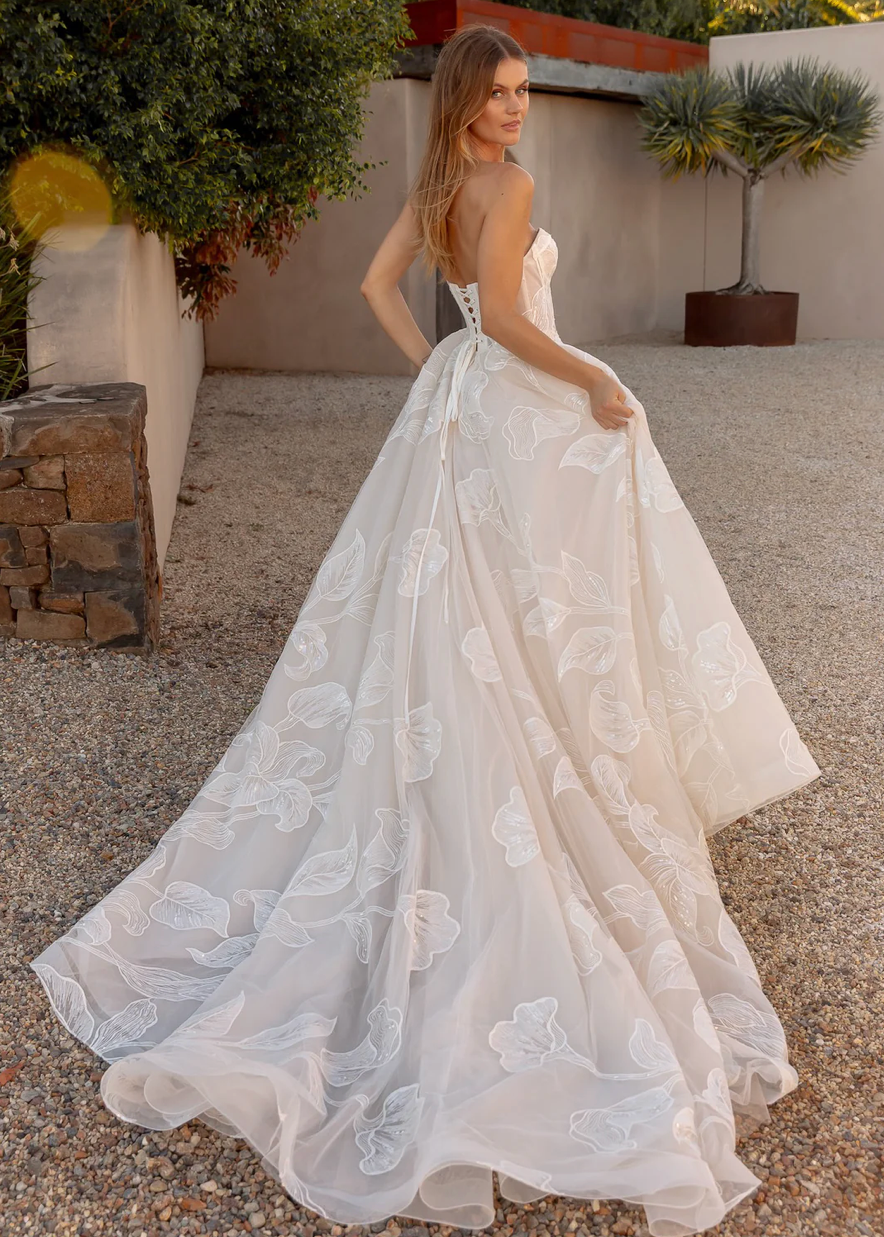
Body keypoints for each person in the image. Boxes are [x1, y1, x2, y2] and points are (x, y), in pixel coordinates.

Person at [30, 23, 821, 1237]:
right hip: (503, 394)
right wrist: (594, 380)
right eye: (499, 93)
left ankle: (509, 746)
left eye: (522, 94)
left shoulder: (438, 185)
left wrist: (427, 372)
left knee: (461, 603)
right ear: (464, 97)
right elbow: (503, 318)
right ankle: (538, 764)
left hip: (456, 404)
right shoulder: (503, 188)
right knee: (520, 598)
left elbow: (380, 293)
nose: (517, 110)